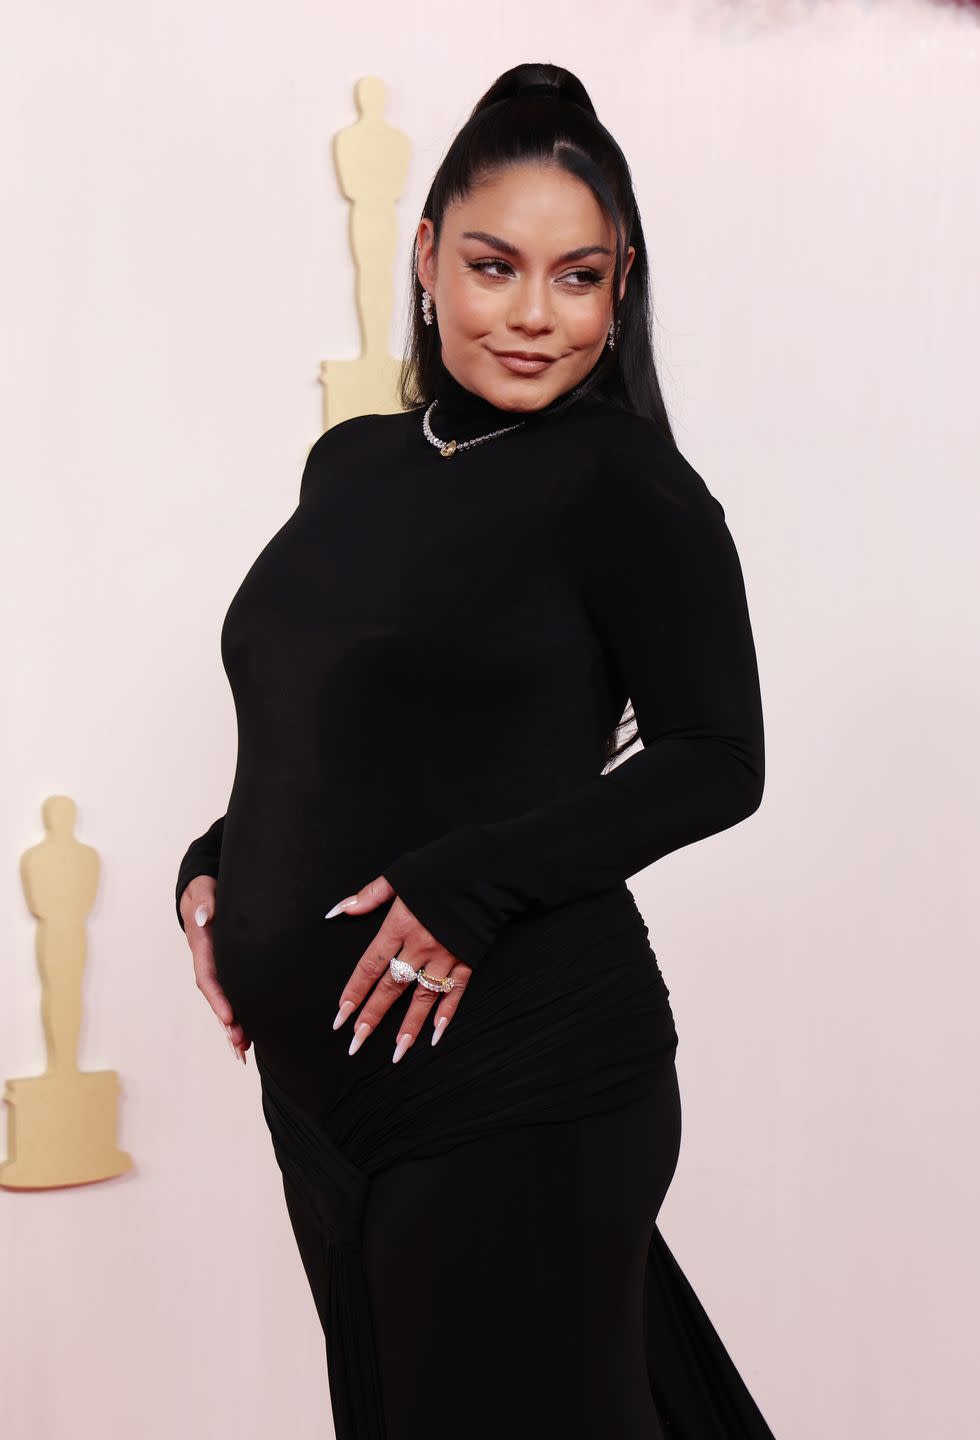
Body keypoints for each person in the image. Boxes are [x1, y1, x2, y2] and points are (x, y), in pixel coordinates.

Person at [175, 62, 778, 1440]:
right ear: (431, 258)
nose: (531, 314)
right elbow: (327, 724)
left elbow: (716, 756)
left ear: (620, 289)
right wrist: (218, 870)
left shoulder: (627, 483)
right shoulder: (356, 465)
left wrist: (468, 883)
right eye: (497, 265)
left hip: (518, 1078)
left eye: (578, 277)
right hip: (327, 1091)